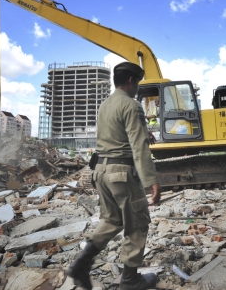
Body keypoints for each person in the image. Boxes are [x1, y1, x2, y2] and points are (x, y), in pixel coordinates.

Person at [67, 62, 161, 290]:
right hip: (122, 174)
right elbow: (138, 148)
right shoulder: (132, 105)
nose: (137, 87)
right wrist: (152, 181)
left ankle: (82, 262)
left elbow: (116, 135)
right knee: (137, 224)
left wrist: (143, 131)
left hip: (100, 171)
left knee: (112, 220)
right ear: (131, 81)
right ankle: (130, 280)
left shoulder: (105, 105)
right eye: (137, 83)